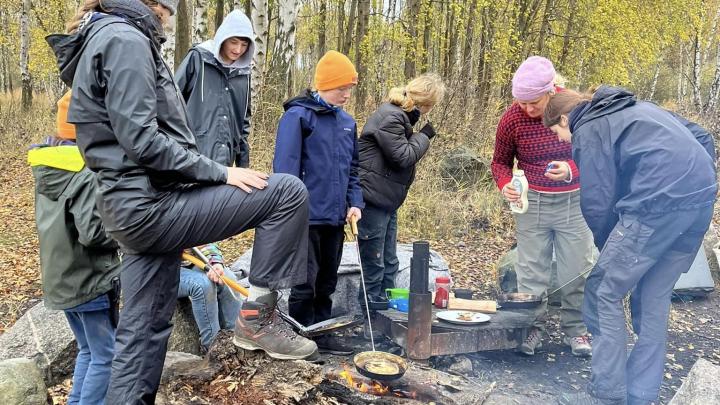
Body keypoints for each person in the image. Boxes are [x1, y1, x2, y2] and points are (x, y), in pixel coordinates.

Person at [49, 1, 316, 402]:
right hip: (149, 206)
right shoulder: (124, 39)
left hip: (132, 208)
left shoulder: (105, 35)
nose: (171, 17)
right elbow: (142, 140)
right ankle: (257, 319)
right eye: (169, 8)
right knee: (286, 192)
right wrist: (221, 171)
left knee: (142, 335)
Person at [544, 87, 717, 405]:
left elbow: (598, 202)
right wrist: (696, 184)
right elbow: (703, 137)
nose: (563, 141)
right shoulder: (640, 109)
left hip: (656, 207)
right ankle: (640, 395)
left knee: (602, 290)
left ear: (565, 119)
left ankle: (606, 395)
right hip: (700, 202)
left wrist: (608, 250)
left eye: (558, 132)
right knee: (653, 295)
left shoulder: (589, 128)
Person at [491, 56, 595, 357]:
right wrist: (505, 184)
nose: (528, 109)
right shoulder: (512, 118)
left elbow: (595, 153)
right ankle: (531, 327)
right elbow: (499, 161)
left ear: (551, 90)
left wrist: (571, 169)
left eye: (534, 102)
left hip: (574, 202)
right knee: (530, 272)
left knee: (575, 270)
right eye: (522, 102)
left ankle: (577, 330)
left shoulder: (573, 110)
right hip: (531, 202)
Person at [28, 90, 121, 404]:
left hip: (61, 278)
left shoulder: (48, 166)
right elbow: (94, 234)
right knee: (106, 355)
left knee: (88, 350)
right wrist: (126, 234)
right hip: (88, 279)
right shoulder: (83, 172)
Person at [273, 50, 364, 355]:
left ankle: (322, 336)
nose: (347, 94)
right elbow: (285, 171)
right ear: (325, 85)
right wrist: (289, 213)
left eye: (350, 89)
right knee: (304, 283)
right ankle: (299, 338)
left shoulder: (347, 123)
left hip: (336, 218)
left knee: (327, 281)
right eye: (342, 88)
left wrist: (354, 202)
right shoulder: (298, 116)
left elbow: (352, 170)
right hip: (305, 217)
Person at [356, 73, 445, 309]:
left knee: (389, 260)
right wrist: (424, 136)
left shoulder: (400, 116)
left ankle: (384, 313)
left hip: (385, 200)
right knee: (374, 263)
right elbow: (403, 157)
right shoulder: (391, 118)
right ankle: (368, 319)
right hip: (372, 199)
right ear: (425, 103)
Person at [175, 9, 254, 168]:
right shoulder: (198, 58)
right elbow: (171, 102)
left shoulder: (244, 74)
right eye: (234, 42)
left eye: (244, 45)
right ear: (223, 38)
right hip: (192, 160)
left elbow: (243, 124)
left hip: (226, 166)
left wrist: (243, 167)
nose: (238, 50)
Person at [177, 243, 240, 352]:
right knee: (203, 286)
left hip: (191, 262)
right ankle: (213, 348)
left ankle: (236, 338)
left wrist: (216, 262)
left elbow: (207, 241)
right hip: (158, 270)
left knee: (227, 278)